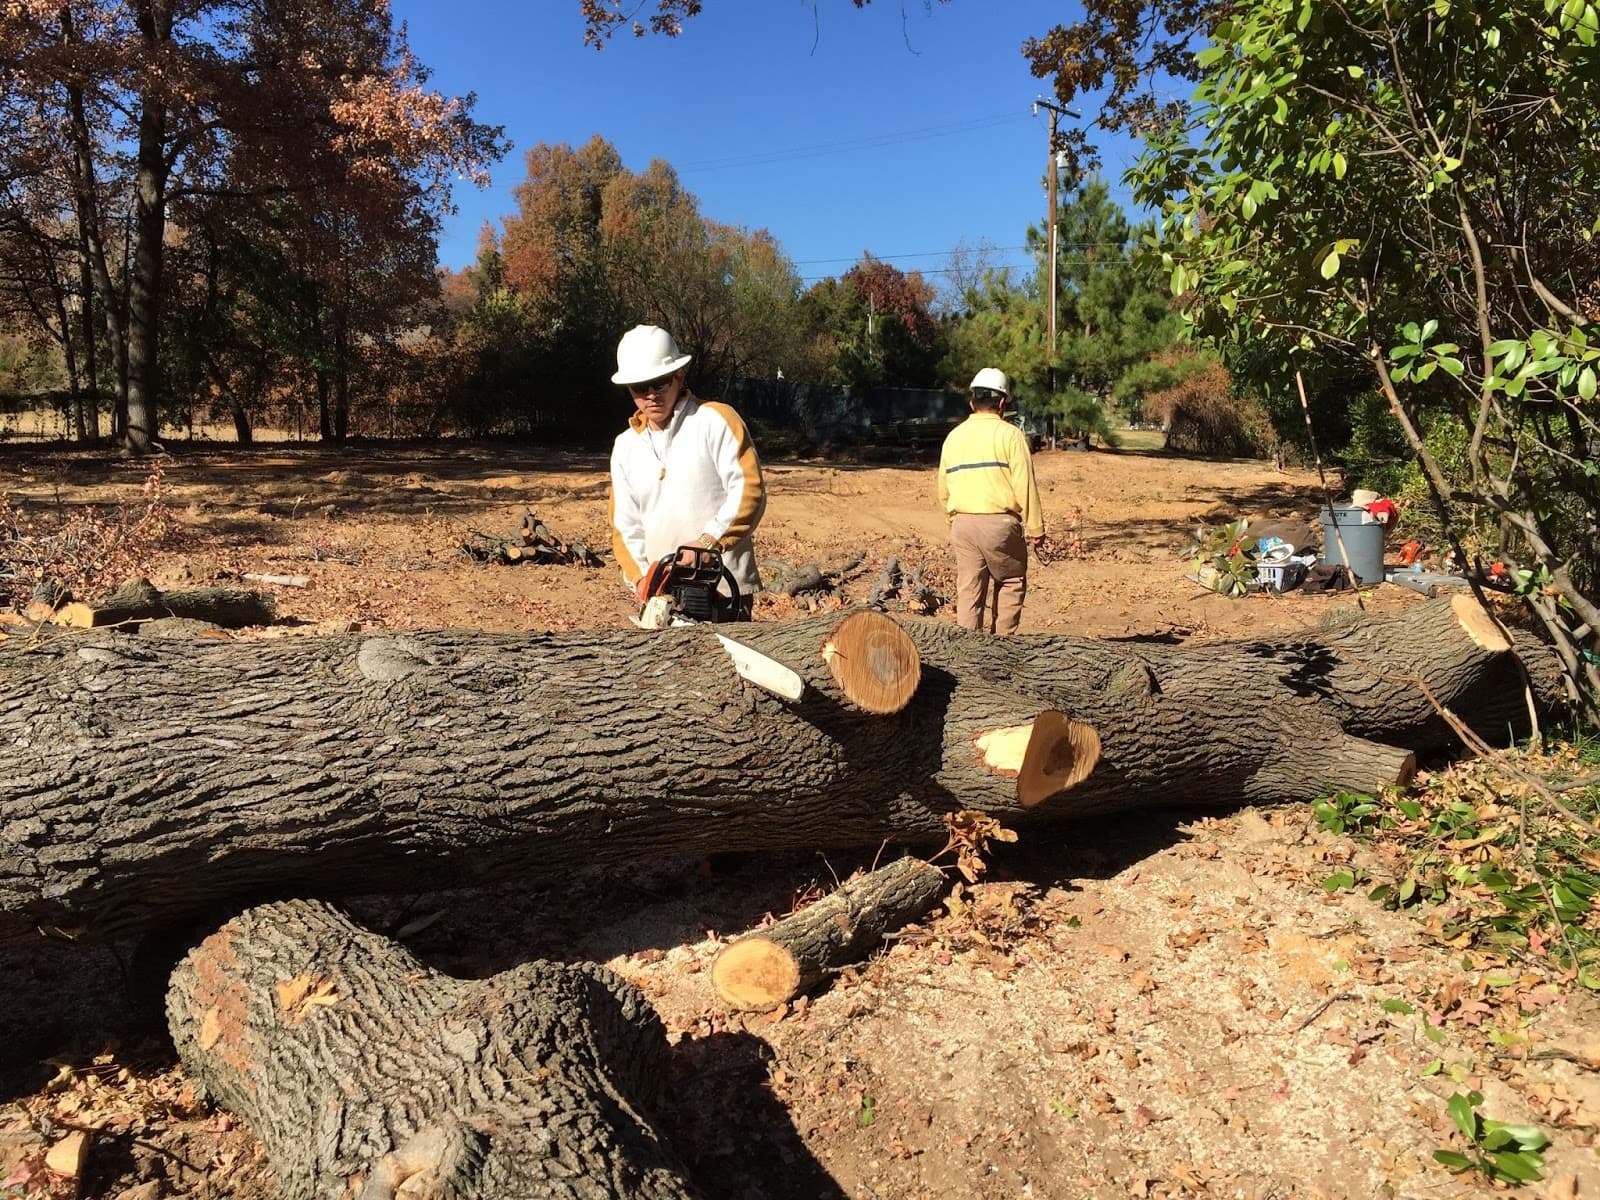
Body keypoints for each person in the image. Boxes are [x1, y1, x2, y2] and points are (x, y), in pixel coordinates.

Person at [608, 324, 766, 619]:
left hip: (724, 590)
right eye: (641, 387)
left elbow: (749, 490)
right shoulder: (625, 447)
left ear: (679, 376)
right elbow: (625, 527)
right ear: (629, 389)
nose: (651, 395)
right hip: (661, 598)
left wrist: (710, 541)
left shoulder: (716, 420)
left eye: (660, 383)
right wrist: (645, 580)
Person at [937, 367, 1044, 635]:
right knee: (1010, 581)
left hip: (962, 525)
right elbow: (1025, 485)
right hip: (1000, 525)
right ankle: (1002, 649)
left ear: (972, 403)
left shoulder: (953, 438)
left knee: (969, 588)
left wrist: (955, 521)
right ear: (1003, 402)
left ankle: (968, 652)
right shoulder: (1010, 436)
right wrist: (1036, 529)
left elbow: (943, 488)